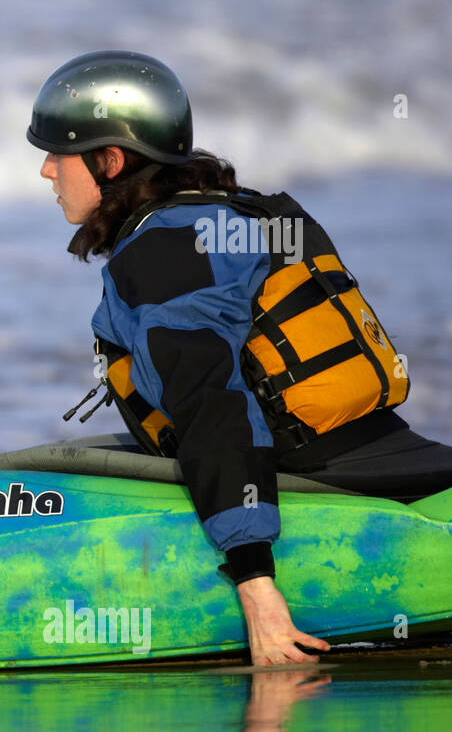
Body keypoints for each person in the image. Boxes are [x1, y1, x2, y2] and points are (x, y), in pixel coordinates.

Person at [26, 50, 452, 666]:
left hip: (317, 477)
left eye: (57, 153)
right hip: (384, 447)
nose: (45, 171)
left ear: (110, 160)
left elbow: (211, 402)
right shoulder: (235, 212)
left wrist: (256, 585)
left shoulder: (163, 251)